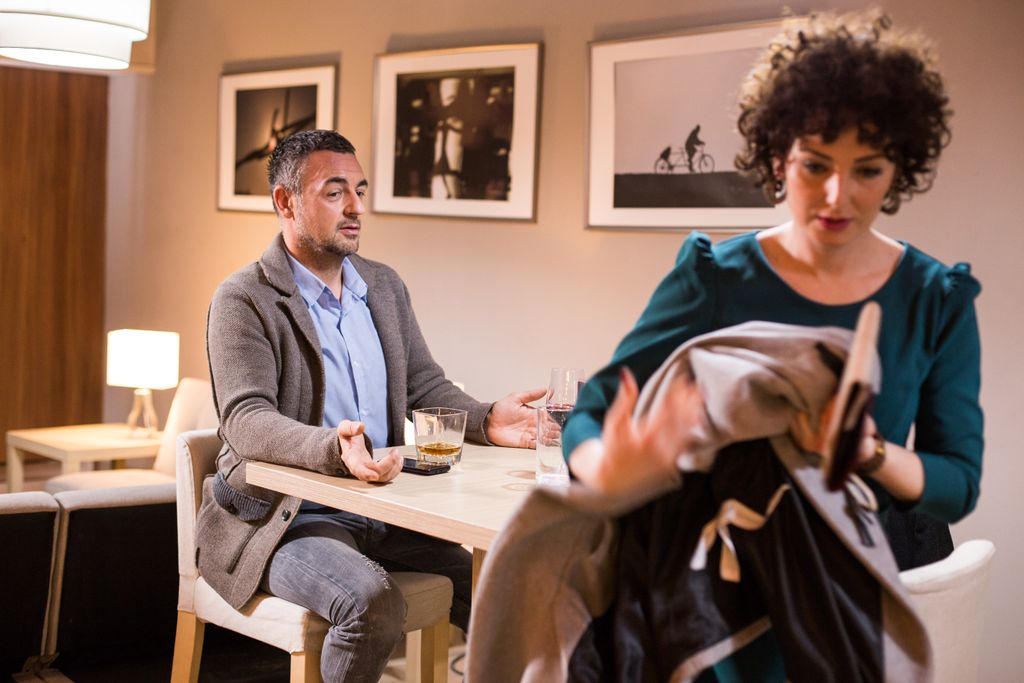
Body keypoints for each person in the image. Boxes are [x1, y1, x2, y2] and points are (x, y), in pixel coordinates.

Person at [564, 10, 982, 679]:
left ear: (899, 168)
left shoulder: (934, 298)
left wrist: (869, 451)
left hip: (847, 598)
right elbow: (596, 404)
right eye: (815, 164)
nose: (838, 195)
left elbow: (956, 484)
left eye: (868, 170)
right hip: (716, 601)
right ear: (778, 154)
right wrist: (606, 464)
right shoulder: (714, 277)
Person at [197, 129, 543, 682]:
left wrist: (484, 418)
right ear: (285, 202)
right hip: (286, 519)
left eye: (359, 189)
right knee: (371, 602)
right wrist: (333, 449)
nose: (356, 207)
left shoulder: (382, 287)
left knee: (505, 589)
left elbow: (425, 386)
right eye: (335, 192)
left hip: (386, 510)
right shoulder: (244, 299)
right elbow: (246, 420)